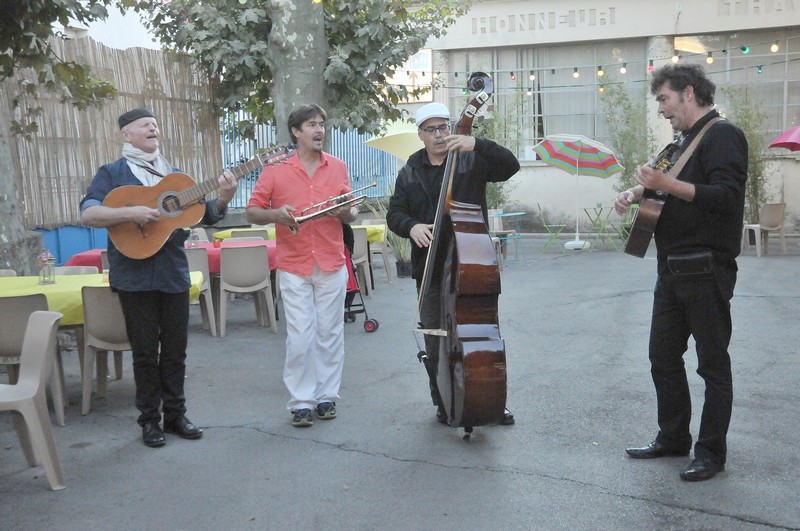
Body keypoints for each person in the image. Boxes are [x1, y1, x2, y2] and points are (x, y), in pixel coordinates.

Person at [614, 63, 747, 481]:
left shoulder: (723, 135)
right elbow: (664, 187)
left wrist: (665, 184)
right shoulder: (681, 142)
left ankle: (711, 453)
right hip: (671, 267)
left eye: (664, 99)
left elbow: (726, 197)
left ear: (688, 92)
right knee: (663, 356)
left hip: (706, 267)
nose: (661, 109)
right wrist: (636, 191)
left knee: (712, 365)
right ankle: (673, 438)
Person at [80, 108, 238, 448]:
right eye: (145, 125)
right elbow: (89, 213)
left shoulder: (175, 178)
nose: (153, 128)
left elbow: (206, 214)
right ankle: (149, 420)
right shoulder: (112, 174)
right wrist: (131, 212)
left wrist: (225, 196)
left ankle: (176, 415)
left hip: (173, 273)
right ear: (126, 134)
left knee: (176, 351)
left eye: (155, 124)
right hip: (133, 275)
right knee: (144, 352)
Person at [386, 102, 520, 426]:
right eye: (431, 129)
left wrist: (479, 143)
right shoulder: (410, 170)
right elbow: (395, 214)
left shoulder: (471, 159)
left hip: (470, 264)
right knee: (436, 339)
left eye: (443, 127)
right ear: (420, 134)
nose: (439, 135)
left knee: (481, 335)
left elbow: (511, 166)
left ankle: (488, 399)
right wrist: (411, 227)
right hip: (431, 268)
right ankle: (444, 400)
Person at [246, 103, 357, 427]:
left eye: (321, 123)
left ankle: (326, 397)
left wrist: (344, 212)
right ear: (296, 132)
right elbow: (253, 211)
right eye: (311, 124)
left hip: (331, 261)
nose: (319, 129)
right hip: (294, 264)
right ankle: (301, 402)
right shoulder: (275, 169)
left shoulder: (337, 166)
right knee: (299, 336)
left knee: (330, 333)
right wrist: (276, 215)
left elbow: (352, 211)